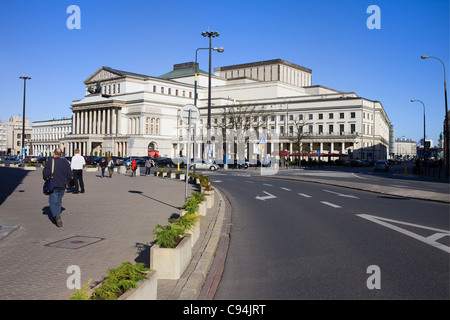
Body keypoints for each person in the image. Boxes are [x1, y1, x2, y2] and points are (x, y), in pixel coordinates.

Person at [43, 148, 72, 227]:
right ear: (61, 154)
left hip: (53, 185)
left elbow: (45, 173)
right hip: (62, 185)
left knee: (53, 202)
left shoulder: (50, 162)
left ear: (54, 154)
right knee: (59, 201)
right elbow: (69, 174)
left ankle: (56, 216)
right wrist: (66, 181)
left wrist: (46, 179)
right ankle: (57, 215)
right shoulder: (65, 162)